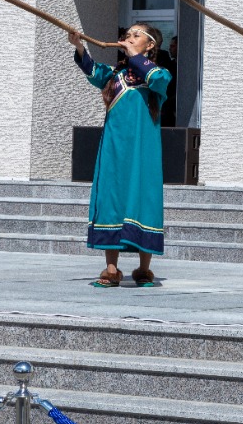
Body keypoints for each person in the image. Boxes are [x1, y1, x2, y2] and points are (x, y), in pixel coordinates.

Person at [69, 24, 171, 287]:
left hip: (143, 152)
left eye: (136, 36)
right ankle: (111, 269)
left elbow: (158, 80)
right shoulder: (115, 75)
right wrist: (79, 46)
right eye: (127, 35)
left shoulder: (157, 75)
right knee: (111, 199)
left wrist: (136, 59)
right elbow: (93, 71)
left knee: (143, 200)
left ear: (150, 45)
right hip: (114, 150)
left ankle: (144, 269)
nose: (128, 38)